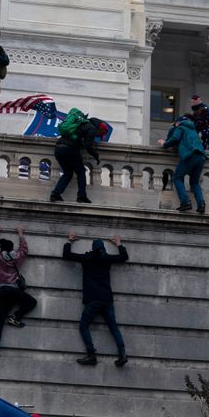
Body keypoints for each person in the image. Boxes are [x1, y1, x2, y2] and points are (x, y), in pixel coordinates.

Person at [63, 231, 130, 367]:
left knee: (83, 326)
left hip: (92, 300)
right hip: (106, 299)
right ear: (103, 248)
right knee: (113, 328)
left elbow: (67, 255)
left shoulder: (87, 258)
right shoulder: (107, 259)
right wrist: (118, 243)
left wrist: (69, 241)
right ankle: (122, 354)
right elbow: (124, 257)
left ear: (92, 248)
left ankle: (91, 355)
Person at [0, 224, 36, 357]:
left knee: (0, 317)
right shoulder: (17, 257)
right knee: (31, 302)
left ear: (0, 248)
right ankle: (15, 317)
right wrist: (20, 233)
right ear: (12, 248)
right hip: (13, 290)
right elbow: (24, 248)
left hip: (0, 290)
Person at [49, 112, 106, 203]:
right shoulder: (92, 129)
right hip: (69, 150)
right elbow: (88, 145)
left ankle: (55, 194)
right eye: (99, 134)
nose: (97, 136)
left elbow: (77, 138)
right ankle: (81, 196)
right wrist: (96, 155)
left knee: (68, 173)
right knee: (81, 172)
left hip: (58, 149)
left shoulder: (80, 124)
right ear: (99, 129)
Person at [160, 114, 207, 213]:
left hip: (190, 154)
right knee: (194, 181)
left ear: (177, 122)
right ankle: (201, 204)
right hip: (201, 156)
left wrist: (164, 144)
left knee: (177, 177)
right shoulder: (193, 130)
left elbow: (175, 138)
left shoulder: (180, 127)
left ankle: (185, 202)